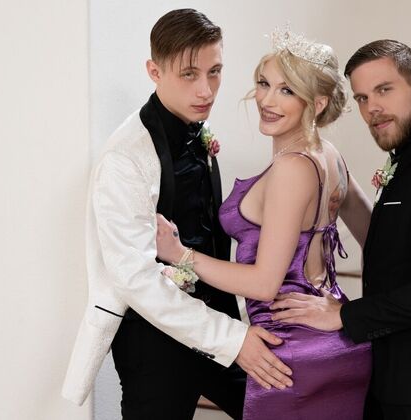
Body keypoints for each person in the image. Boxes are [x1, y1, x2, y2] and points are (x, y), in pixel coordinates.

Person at [61, 9, 292, 419]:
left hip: (219, 320)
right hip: (154, 341)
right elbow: (135, 280)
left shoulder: (195, 127)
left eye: (215, 72)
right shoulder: (125, 158)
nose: (206, 90)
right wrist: (233, 339)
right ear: (154, 71)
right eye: (189, 74)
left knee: (287, 407)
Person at [155, 27, 373, 420]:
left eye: (287, 90)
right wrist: (346, 310)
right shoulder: (329, 155)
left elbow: (263, 284)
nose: (267, 100)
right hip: (335, 343)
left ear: (318, 102)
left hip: (291, 352)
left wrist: (181, 255)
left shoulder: (292, 168)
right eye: (263, 83)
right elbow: (381, 240)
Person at [270, 40, 411, 420]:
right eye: (362, 97)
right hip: (397, 366)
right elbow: (396, 244)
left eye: (384, 90)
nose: (372, 107)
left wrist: (344, 315)